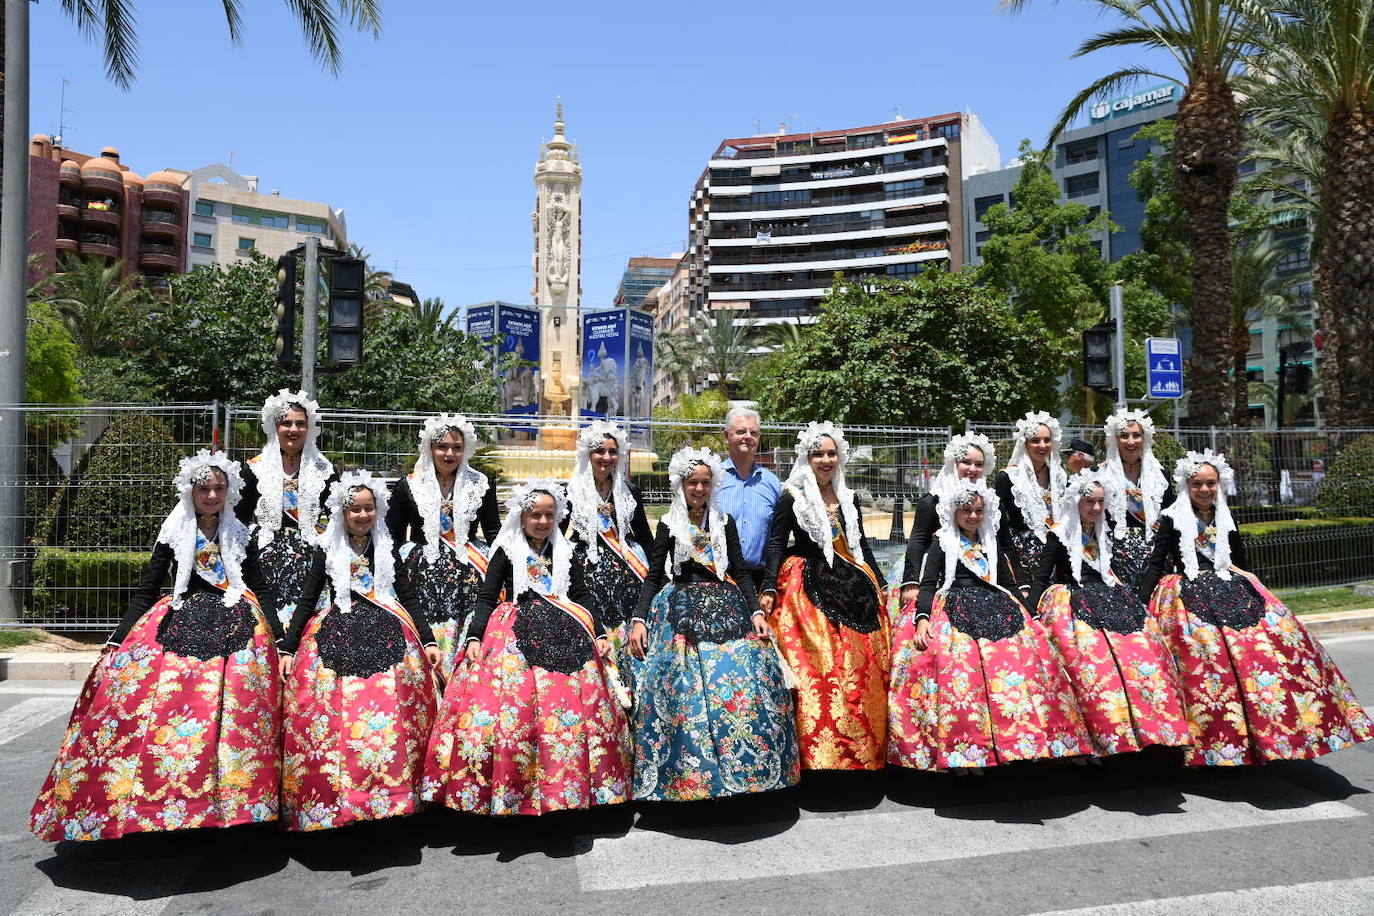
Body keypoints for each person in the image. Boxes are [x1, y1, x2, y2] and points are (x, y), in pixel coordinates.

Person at [31, 451, 283, 841]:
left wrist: (281, 641)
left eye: (218, 488)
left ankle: (233, 800)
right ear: (191, 491)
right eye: (204, 488)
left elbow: (261, 587)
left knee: (238, 709)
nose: (212, 495)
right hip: (179, 616)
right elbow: (148, 589)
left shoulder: (239, 532)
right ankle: (158, 797)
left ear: (229, 491)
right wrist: (116, 640)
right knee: (152, 699)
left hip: (238, 621)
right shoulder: (173, 529)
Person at [1138, 450, 1372, 766]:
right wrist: (1140, 604)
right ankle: (1212, 739)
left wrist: (1253, 587)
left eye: (1211, 484)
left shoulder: (1224, 515)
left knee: (1276, 640)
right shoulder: (1171, 517)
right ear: (1186, 485)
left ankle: (1282, 729)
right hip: (1187, 591)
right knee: (1207, 659)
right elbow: (1155, 563)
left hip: (1231, 585)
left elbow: (1239, 560)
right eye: (1198, 484)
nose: (1205, 490)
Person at [423, 479, 631, 816]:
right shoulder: (506, 551)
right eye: (536, 515)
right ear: (522, 517)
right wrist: (475, 636)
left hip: (565, 630)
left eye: (549, 515)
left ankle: (568, 787)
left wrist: (600, 633)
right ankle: (513, 788)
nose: (543, 522)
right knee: (511, 710)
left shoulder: (566, 551)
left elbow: (580, 596)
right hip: (513, 633)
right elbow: (488, 598)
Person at [628, 447, 799, 801]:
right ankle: (690, 775)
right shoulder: (669, 524)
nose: (700, 489)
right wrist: (640, 618)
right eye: (693, 482)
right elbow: (654, 575)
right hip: (680, 608)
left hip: (727, 606)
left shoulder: (724, 522)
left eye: (706, 482)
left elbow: (739, 571)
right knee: (680, 686)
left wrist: (755, 613)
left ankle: (749, 768)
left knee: (753, 673)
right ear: (681, 484)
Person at [887, 479, 1091, 771]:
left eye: (979, 511)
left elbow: (1005, 583)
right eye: (966, 510)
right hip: (952, 603)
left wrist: (1031, 616)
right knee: (959, 674)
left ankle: (1017, 744)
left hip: (995, 604)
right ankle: (965, 752)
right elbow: (929, 584)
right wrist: (922, 620)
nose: (972, 516)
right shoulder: (942, 540)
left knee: (1021, 668)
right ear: (954, 511)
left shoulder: (990, 540)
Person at [277, 471, 443, 831]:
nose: (363, 516)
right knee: (335, 718)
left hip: (388, 630)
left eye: (369, 509)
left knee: (391, 716)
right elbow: (307, 599)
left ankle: (391, 797)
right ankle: (336, 800)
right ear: (342, 512)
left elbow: (407, 594)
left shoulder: (386, 548)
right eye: (355, 510)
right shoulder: (327, 547)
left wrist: (428, 640)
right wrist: (288, 647)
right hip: (336, 629)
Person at [1031, 470, 1190, 756]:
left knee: (1141, 654)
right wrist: (1030, 615)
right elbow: (1042, 578)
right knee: (1090, 666)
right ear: (1075, 502)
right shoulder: (1059, 533)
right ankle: (1094, 738)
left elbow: (1108, 570)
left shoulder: (1104, 531)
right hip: (1071, 600)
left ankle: (1151, 729)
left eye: (1100, 502)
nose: (1095, 508)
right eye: (1089, 502)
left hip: (1108, 596)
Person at [761, 422, 889, 771]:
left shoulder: (849, 497)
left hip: (849, 578)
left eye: (831, 453)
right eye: (818, 454)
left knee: (861, 659)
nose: (825, 459)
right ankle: (818, 753)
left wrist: (880, 583)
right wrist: (769, 586)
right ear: (807, 457)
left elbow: (861, 545)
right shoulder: (792, 496)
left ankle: (858, 749)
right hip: (804, 583)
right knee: (820, 661)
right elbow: (775, 544)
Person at [387, 414, 500, 678]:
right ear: (430, 448)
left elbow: (494, 530)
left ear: (466, 449)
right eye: (442, 447)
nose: (449, 453)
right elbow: (393, 534)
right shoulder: (409, 485)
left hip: (468, 576)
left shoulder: (482, 485)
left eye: (456, 447)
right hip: (419, 576)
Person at [237, 389, 337, 630]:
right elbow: (238, 520)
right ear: (275, 426)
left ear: (309, 427)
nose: (293, 430)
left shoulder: (325, 470)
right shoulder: (253, 470)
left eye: (300, 424)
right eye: (286, 423)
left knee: (307, 627)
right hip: (262, 564)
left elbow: (337, 519)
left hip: (309, 564)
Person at [565, 420, 653, 676]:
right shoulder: (571, 492)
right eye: (599, 451)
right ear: (587, 454)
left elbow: (646, 538)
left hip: (628, 578)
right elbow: (557, 538)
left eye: (612, 452)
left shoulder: (630, 492)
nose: (606, 457)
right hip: (587, 576)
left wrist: (662, 576)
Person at [897, 432, 998, 604]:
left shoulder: (991, 501)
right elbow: (918, 540)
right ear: (954, 463)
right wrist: (912, 582)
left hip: (979, 567)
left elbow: (1002, 542)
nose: (972, 469)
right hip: (935, 569)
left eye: (979, 464)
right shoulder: (932, 500)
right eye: (966, 462)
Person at [1100, 409, 1175, 593]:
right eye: (1124, 436)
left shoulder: (1161, 476)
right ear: (1115, 440)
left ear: (1145, 438)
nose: (1131, 441)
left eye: (1136, 435)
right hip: (1115, 559)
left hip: (1155, 560)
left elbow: (1169, 520)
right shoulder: (1101, 475)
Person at [995, 410, 1065, 594]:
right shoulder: (1008, 477)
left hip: (1056, 555)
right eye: (1035, 440)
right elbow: (999, 527)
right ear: (1025, 443)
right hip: (1022, 558)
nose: (1042, 445)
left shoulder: (1060, 476)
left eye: (1047, 440)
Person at [715, 407, 782, 591]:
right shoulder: (713, 480)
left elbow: (778, 535)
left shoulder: (772, 483)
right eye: (741, 431)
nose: (748, 436)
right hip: (720, 578)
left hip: (759, 580)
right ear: (727, 436)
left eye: (753, 432)